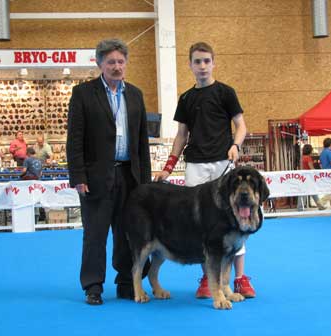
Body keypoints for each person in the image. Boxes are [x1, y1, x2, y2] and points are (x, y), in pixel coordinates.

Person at [154, 42, 254, 299]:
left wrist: (235, 145)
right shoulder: (186, 98)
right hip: (195, 166)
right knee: (201, 225)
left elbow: (241, 127)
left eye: (206, 61)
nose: (202, 66)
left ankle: (240, 278)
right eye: (197, 61)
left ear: (213, 63)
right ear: (189, 65)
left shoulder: (226, 93)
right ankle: (209, 280)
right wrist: (167, 168)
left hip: (224, 164)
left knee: (237, 220)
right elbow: (181, 136)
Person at [66, 38, 151, 306]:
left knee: (129, 233)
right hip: (95, 177)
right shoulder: (83, 94)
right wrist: (78, 177)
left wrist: (145, 182)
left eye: (121, 61)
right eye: (111, 62)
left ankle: (127, 282)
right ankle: (93, 286)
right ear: (99, 64)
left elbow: (142, 143)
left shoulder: (135, 95)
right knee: (95, 234)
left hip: (130, 176)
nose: (117, 66)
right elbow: (75, 140)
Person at [297, 144, 326, 211]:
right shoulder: (308, 158)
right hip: (308, 177)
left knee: (307, 191)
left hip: (302, 176)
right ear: (310, 150)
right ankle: (301, 207)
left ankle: (319, 205)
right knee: (308, 191)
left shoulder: (302, 157)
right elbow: (311, 168)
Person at [319, 137, 331, 209]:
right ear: (330, 144)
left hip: (325, 172)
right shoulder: (330, 152)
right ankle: (321, 202)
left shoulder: (322, 152)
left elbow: (320, 164)